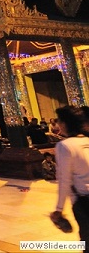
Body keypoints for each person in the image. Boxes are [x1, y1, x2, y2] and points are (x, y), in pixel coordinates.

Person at [51, 105, 89, 249]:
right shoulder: (87, 140)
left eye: (59, 120)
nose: (58, 123)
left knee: (87, 239)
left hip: (83, 200)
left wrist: (59, 209)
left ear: (65, 123)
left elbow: (64, 180)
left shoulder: (65, 146)